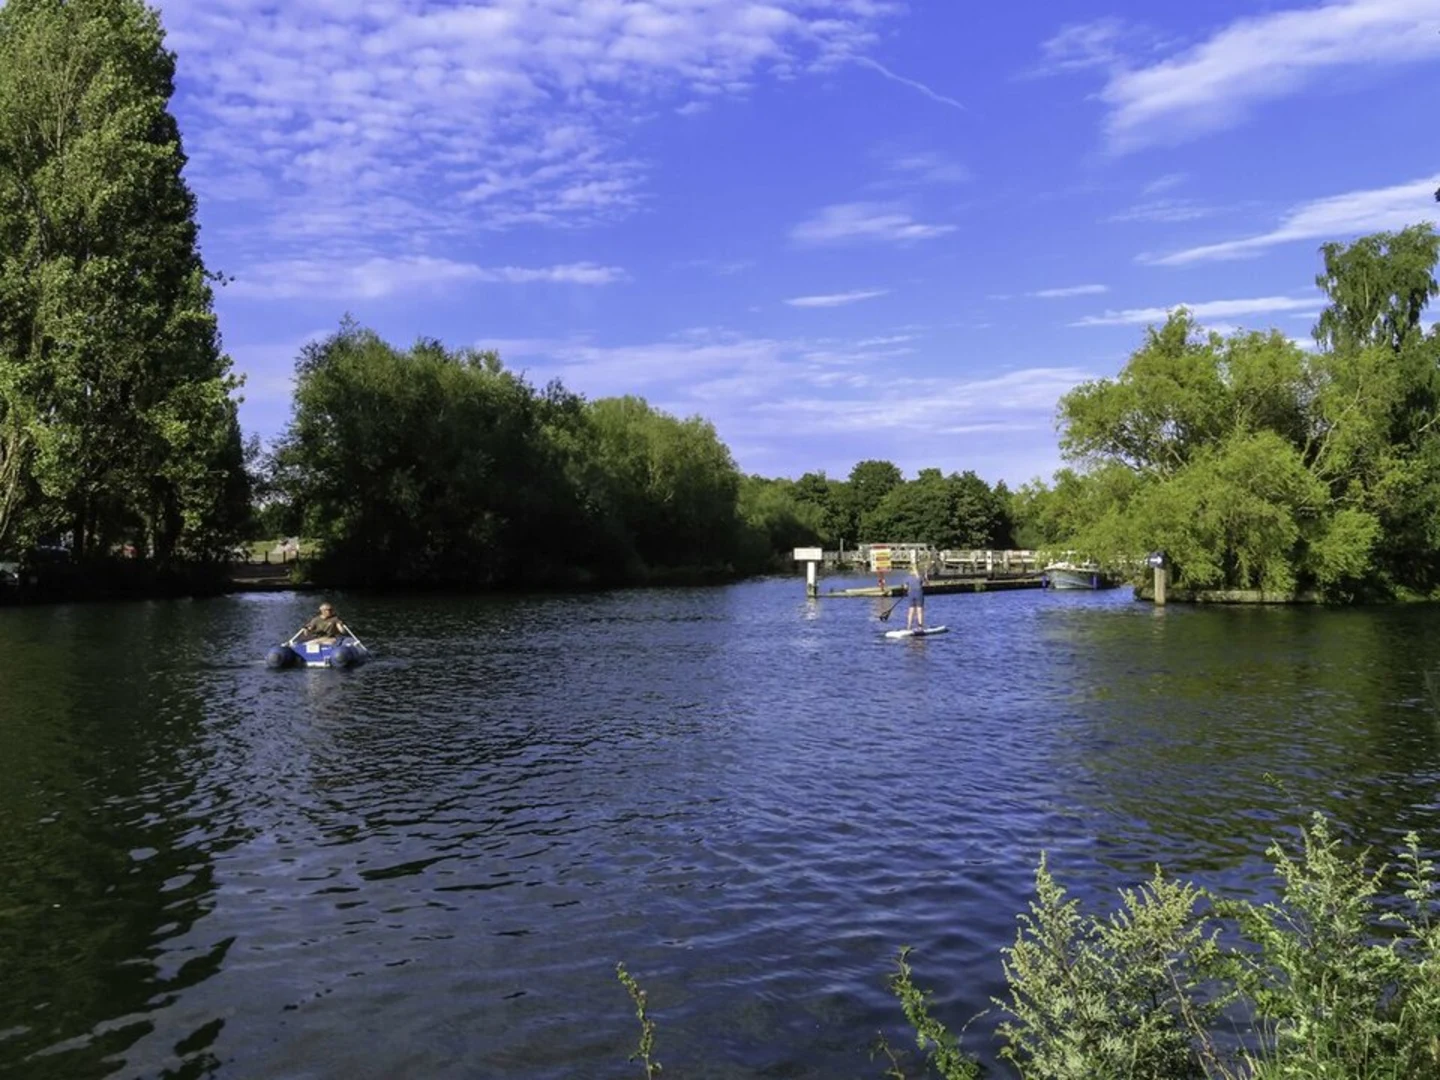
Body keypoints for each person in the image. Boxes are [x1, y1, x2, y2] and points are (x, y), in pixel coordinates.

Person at [906, 565, 926, 630]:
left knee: (911, 610)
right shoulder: (920, 577)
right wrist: (925, 577)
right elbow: (926, 584)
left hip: (911, 594)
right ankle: (920, 626)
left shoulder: (907, 578)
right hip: (918, 594)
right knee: (919, 610)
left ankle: (909, 626)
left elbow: (905, 586)